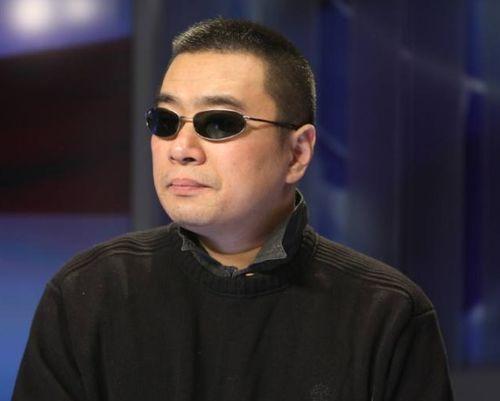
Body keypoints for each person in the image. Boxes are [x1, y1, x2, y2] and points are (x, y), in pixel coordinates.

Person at [12, 18, 453, 401]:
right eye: (166, 121)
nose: (181, 149)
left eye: (220, 123)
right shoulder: (87, 295)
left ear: (297, 153)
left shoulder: (387, 315)